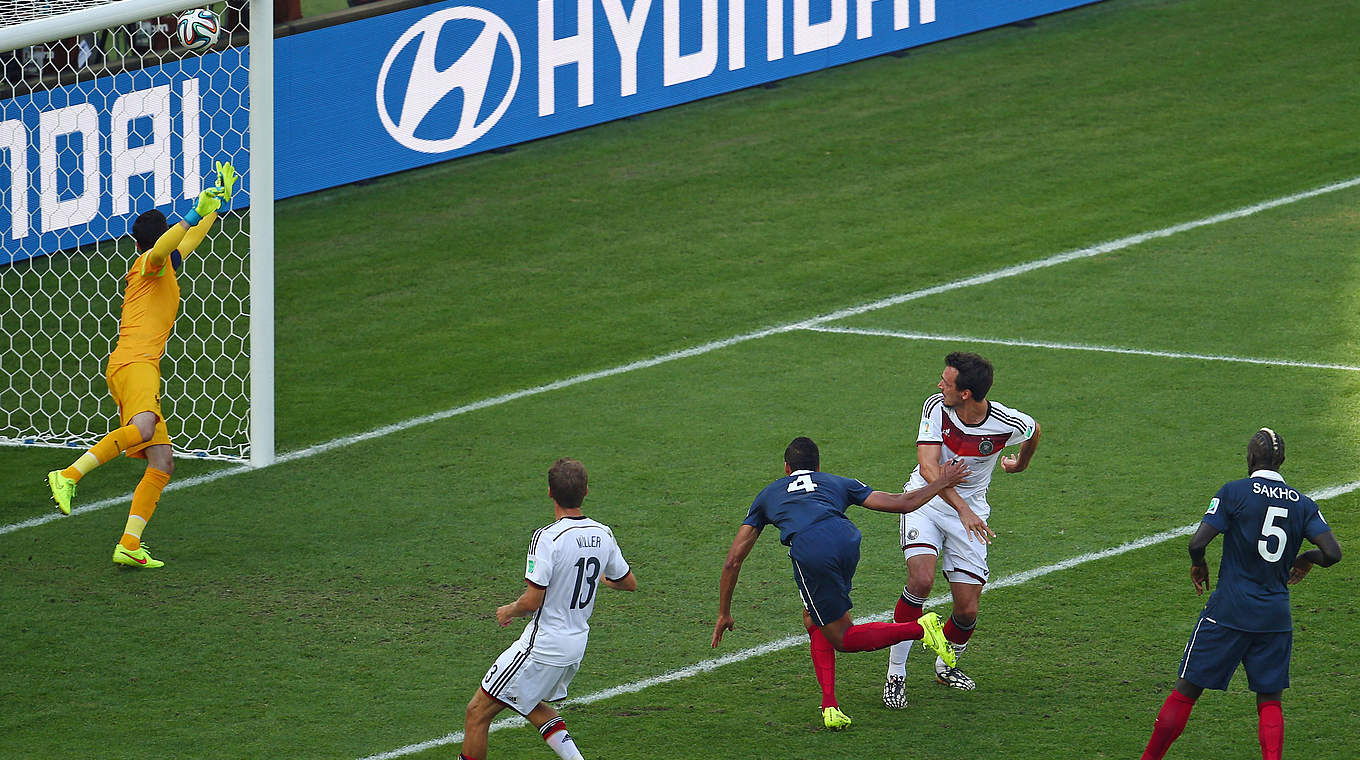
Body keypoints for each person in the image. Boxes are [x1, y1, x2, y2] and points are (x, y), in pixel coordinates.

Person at [46, 161, 237, 569]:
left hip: (136, 364)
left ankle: (129, 544)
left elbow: (187, 243)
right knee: (145, 427)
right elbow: (168, 246)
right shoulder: (148, 266)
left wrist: (215, 205)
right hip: (134, 363)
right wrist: (190, 214)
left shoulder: (163, 262)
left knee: (162, 461)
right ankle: (68, 475)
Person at [712, 436, 970, 730]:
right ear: (818, 466)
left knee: (842, 637)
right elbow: (903, 503)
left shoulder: (768, 494)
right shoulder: (836, 482)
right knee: (815, 618)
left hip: (812, 549)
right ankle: (830, 705)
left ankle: (920, 628)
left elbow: (733, 561)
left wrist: (724, 613)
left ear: (786, 468)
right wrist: (942, 481)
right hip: (847, 540)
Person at [1140, 428, 1341, 760]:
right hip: (1275, 615)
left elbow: (1197, 543)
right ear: (1283, 461)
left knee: (1187, 690)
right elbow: (1333, 554)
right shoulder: (1303, 504)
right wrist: (1306, 559)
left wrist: (1198, 564)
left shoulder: (1234, 492)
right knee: (1270, 699)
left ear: (1250, 458)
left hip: (1229, 610)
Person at [883, 351, 1040, 708]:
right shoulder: (936, 407)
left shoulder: (1004, 422)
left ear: (966, 393)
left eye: (947, 381)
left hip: (969, 514)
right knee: (920, 581)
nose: (939, 385)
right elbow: (927, 468)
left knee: (967, 610)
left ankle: (946, 663)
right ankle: (896, 674)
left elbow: (1034, 430)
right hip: (926, 501)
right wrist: (964, 508)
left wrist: (1019, 464)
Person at [461, 458, 637, 760]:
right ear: (586, 492)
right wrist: (601, 579)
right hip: (575, 645)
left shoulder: (547, 538)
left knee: (477, 712)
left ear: (549, 493)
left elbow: (532, 601)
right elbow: (628, 582)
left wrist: (509, 610)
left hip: (542, 646)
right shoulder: (603, 533)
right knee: (527, 702)